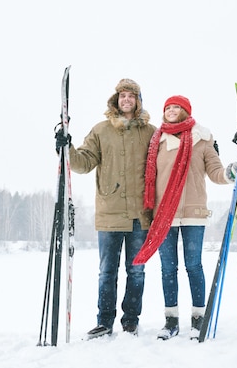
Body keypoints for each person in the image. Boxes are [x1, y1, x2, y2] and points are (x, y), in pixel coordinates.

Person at [132, 95, 237, 340]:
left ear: (186, 111)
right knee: (168, 269)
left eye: (176, 107)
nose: (171, 111)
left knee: (193, 266)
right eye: (168, 107)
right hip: (164, 215)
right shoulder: (157, 141)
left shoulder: (202, 140)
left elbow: (215, 172)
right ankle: (171, 321)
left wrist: (230, 171)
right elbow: (146, 177)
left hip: (194, 214)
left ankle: (198, 318)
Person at [55, 78, 156, 339]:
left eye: (131, 96)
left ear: (138, 100)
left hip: (140, 216)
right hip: (109, 214)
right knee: (107, 272)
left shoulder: (151, 132)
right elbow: (84, 163)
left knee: (136, 271)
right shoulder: (101, 130)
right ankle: (104, 322)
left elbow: (168, 158)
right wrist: (67, 148)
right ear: (116, 100)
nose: (126, 100)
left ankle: (131, 320)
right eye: (122, 96)